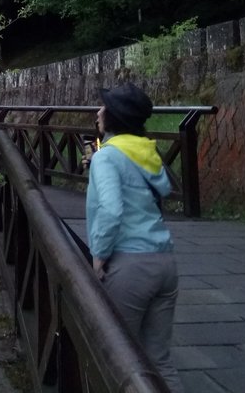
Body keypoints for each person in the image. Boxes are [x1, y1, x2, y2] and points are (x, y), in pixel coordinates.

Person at [86, 82, 184, 393]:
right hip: (165, 263)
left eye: (104, 107)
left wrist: (99, 256)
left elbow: (112, 210)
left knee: (116, 359)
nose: (99, 111)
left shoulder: (108, 157)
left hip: (130, 266)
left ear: (114, 116)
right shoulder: (146, 151)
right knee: (159, 361)